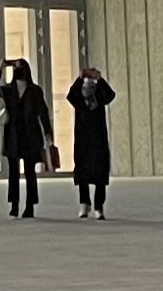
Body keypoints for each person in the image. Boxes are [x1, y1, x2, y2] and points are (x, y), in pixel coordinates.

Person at [0, 57, 53, 218]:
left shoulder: (35, 91)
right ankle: (14, 205)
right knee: (13, 172)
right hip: (13, 135)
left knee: (29, 171)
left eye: (20, 68)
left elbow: (43, 112)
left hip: (30, 135)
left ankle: (30, 206)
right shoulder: (9, 89)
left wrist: (48, 132)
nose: (19, 71)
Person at [65, 63, 117, 218]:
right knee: (82, 172)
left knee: (100, 172)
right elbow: (70, 95)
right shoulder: (79, 99)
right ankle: (85, 203)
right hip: (83, 139)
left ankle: (99, 206)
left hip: (98, 139)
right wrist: (79, 78)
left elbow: (111, 95)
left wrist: (99, 79)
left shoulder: (99, 96)